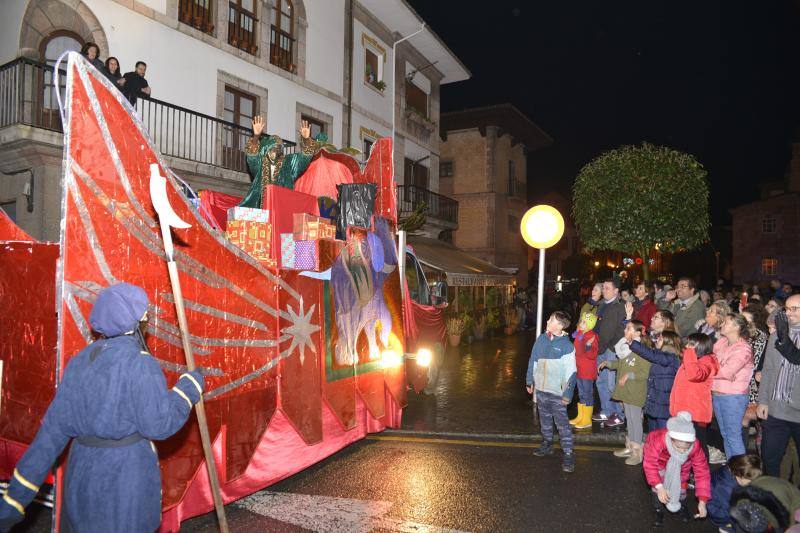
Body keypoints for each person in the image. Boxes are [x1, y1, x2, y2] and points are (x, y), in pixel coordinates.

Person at [0, 284, 204, 532]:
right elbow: (159, 424)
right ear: (137, 321)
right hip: (123, 480)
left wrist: (14, 500)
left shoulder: (80, 361)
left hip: (81, 476)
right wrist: (188, 389)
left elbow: (51, 436)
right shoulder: (140, 364)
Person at [527, 311, 577, 473]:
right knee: (545, 419)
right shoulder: (541, 340)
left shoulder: (567, 346)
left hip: (557, 393)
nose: (547, 321)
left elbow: (571, 372)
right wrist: (529, 380)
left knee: (562, 424)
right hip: (541, 389)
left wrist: (567, 394)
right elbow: (533, 361)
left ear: (560, 326)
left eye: (551, 320)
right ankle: (547, 444)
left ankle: (568, 453)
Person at [643, 411, 710, 527]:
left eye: (686, 448)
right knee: (657, 489)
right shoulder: (658, 440)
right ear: (671, 439)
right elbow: (649, 464)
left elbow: (702, 472)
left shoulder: (695, 447)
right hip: (659, 464)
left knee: (682, 489)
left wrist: (703, 500)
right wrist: (659, 486)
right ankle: (658, 509)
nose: (682, 451)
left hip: (682, 468)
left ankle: (682, 504)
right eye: (678, 447)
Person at [757, 295, 800, 478]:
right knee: (769, 458)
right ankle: (773, 498)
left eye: (795, 309)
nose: (789, 313)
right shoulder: (777, 334)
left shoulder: (780, 336)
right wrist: (763, 400)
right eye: (787, 309)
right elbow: (768, 369)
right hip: (776, 409)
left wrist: (784, 340)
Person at [601, 320, 652, 465]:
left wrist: (629, 375)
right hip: (626, 391)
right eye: (625, 328)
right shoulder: (627, 348)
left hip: (635, 392)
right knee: (629, 419)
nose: (625, 331)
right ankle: (630, 447)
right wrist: (609, 364)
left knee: (636, 420)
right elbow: (622, 364)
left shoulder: (642, 350)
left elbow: (645, 372)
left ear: (637, 333)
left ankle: (638, 452)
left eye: (628, 328)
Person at [712, 313, 755, 459]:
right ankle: (732, 467)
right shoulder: (722, 342)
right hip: (717, 393)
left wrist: (705, 369)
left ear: (737, 327)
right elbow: (711, 360)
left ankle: (740, 473)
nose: (722, 324)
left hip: (733, 397)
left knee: (733, 435)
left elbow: (726, 371)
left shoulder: (744, 348)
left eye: (726, 322)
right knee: (725, 434)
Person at [670, 333, 719, 455]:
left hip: (696, 413)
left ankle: (701, 473)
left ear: (701, 345)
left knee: (698, 446)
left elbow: (694, 375)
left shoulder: (708, 362)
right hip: (685, 411)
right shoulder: (691, 360)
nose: (687, 346)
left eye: (691, 344)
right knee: (685, 447)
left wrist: (690, 353)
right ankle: (688, 471)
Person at [729, 454, 800, 531]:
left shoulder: (760, 491)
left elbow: (785, 519)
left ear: (740, 477)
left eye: (734, 476)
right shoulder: (769, 480)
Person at [630, 330, 682, 431]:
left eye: (660, 338)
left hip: (663, 405)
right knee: (653, 435)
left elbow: (651, 355)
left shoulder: (669, 357)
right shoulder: (661, 355)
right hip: (656, 402)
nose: (657, 340)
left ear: (668, 342)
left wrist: (633, 344)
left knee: (662, 435)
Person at [592, 279, 627, 427]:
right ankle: (607, 410)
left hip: (610, 349)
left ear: (616, 291)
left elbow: (615, 330)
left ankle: (619, 414)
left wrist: (608, 347)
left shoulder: (619, 307)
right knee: (601, 381)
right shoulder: (601, 305)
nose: (604, 290)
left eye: (607, 288)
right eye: (603, 288)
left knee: (612, 383)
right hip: (600, 347)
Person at [708, 454, 764, 532]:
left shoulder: (733, 468)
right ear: (740, 476)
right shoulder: (727, 489)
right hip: (719, 514)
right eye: (750, 482)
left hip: (724, 501)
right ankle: (726, 528)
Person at [742, 303, 769, 452]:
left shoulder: (759, 336)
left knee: (756, 423)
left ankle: (757, 457)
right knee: (745, 422)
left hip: (753, 386)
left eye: (746, 319)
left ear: (754, 320)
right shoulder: (747, 334)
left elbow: (755, 363)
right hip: (748, 384)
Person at [570, 311, 599, 429]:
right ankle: (581, 416)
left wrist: (588, 346)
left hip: (587, 370)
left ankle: (587, 419)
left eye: (583, 322)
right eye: (581, 321)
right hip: (579, 368)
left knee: (587, 394)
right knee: (581, 394)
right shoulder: (580, 333)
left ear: (589, 325)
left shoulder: (592, 336)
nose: (580, 323)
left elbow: (593, 355)